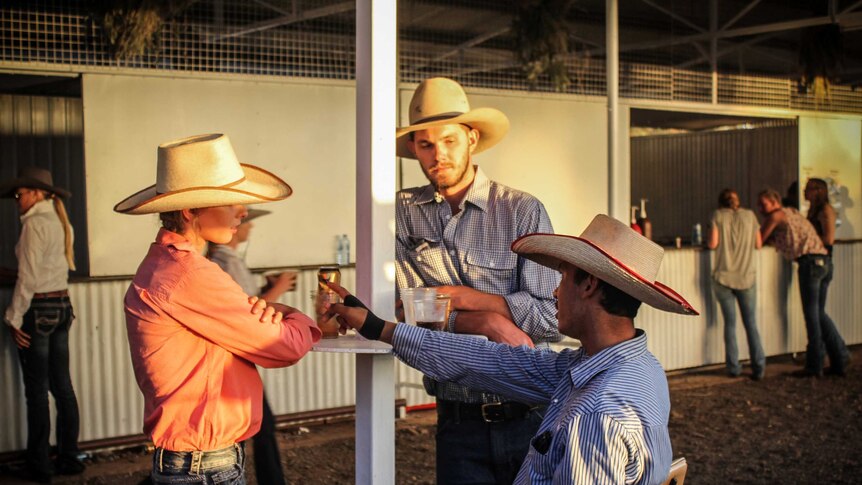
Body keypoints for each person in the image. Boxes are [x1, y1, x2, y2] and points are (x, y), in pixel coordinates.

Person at [325, 214, 698, 484]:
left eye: (564, 277)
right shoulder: (633, 368)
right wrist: (377, 327)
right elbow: (490, 362)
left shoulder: (597, 414)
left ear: (589, 285)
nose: (554, 291)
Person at [114, 133, 321, 484]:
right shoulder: (191, 274)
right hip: (204, 466)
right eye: (229, 201)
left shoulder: (164, 264)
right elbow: (283, 347)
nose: (242, 211)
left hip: (192, 459)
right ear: (191, 209)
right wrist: (291, 314)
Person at [394, 77, 561, 484]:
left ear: (471, 138)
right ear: (414, 149)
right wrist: (483, 321)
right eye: (425, 144)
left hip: (529, 414)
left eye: (449, 140)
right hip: (457, 420)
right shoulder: (400, 212)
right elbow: (404, 312)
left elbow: (551, 317)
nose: (438, 155)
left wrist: (466, 298)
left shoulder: (522, 211)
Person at [1, 167, 85, 483]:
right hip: (62, 307)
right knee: (62, 386)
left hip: (39, 310)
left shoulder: (34, 225)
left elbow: (29, 279)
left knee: (36, 391)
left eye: (20, 194)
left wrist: (12, 317)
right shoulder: (61, 222)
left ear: (36, 193)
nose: (16, 199)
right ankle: (69, 457)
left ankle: (39, 464)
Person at [208, 207, 297, 485]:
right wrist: (278, 288)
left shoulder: (227, 260)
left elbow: (244, 303)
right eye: (246, 222)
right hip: (233, 359)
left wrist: (263, 289)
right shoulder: (226, 262)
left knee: (258, 426)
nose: (250, 227)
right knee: (261, 426)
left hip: (233, 358)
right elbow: (249, 314)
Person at [757, 188, 848, 377]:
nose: (760, 208)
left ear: (774, 202)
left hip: (810, 264)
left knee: (812, 317)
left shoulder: (776, 216)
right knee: (819, 314)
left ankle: (815, 365)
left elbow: (759, 238)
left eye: (763, 204)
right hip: (824, 261)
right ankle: (840, 357)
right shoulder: (793, 213)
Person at [706, 188, 765, 380]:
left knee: (730, 325)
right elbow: (758, 243)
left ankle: (733, 367)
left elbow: (712, 244)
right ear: (737, 201)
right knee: (751, 324)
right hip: (746, 277)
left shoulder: (718, 216)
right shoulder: (750, 216)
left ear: (721, 202)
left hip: (724, 277)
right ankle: (759, 367)